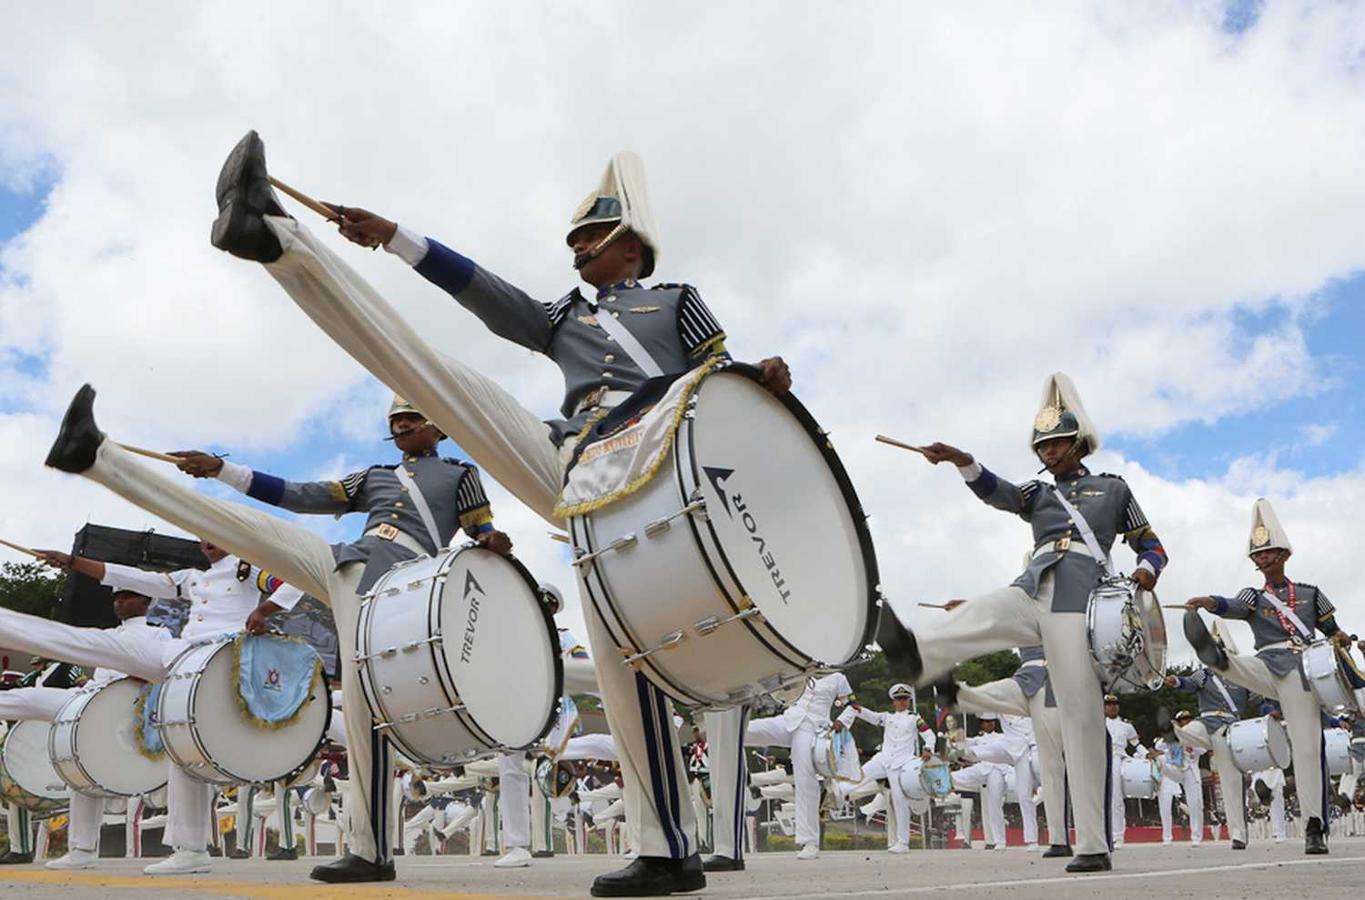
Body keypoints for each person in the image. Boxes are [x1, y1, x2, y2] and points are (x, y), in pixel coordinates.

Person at [206, 131, 792, 897]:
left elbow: (717, 384)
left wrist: (765, 381)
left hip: (663, 460)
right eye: (575, 239)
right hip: (578, 462)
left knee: (624, 667)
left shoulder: (675, 301)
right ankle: (275, 239)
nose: (577, 249)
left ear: (631, 248)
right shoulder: (562, 320)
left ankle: (667, 850)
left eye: (591, 237)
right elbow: (485, 294)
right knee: (436, 373)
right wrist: (395, 239)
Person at [57, 394, 510, 884]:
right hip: (343, 564)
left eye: (411, 419)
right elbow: (301, 493)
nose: (401, 427)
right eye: (395, 421)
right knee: (240, 528)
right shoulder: (373, 476)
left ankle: (371, 852)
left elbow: (481, 532)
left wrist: (494, 544)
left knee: (365, 719)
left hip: (402, 585)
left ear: (437, 428)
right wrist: (220, 469)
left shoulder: (460, 475)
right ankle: (95, 455)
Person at [899, 372, 1168, 872]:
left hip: (1080, 598)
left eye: (1057, 442)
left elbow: (1151, 545)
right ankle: (915, 650)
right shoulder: (1039, 495)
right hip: (1034, 585)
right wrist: (963, 461)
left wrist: (1147, 572)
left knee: (1082, 720)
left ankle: (1091, 843)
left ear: (1078, 442)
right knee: (984, 609)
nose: (1049, 451)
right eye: (1042, 445)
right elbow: (998, 492)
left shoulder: (1112, 489)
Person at [21, 541, 300, 875]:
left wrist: (264, 611)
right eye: (202, 539)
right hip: (184, 661)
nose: (207, 544)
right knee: (181, 743)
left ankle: (191, 848)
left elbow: (292, 582)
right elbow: (136, 578)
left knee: (186, 744)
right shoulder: (190, 578)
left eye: (213, 537)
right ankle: (190, 849)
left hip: (227, 656)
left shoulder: (247, 568)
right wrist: (71, 562)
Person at [1184, 497, 1348, 855]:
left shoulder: (1310, 593)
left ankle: (1313, 825)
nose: (1262, 559)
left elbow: (1331, 629)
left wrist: (1340, 638)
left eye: (1268, 552)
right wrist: (1211, 602)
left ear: (1283, 554)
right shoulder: (1254, 595)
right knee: (1234, 663)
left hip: (1302, 671)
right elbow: (1235, 606)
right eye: (1257, 555)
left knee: (1307, 750)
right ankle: (1215, 659)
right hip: (1266, 663)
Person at [943, 645, 1066, 855]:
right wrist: (961, 692)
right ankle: (1026, 841)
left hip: (1035, 746)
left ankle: (1038, 838)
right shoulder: (1004, 701)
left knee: (1039, 783)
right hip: (1012, 747)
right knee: (1022, 794)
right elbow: (984, 708)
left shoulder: (1043, 694)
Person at [842, 684, 935, 853]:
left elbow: (929, 734)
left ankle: (903, 843)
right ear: (893, 701)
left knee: (900, 801)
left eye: (904, 699)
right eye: (898, 699)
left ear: (909, 701)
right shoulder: (887, 717)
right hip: (884, 758)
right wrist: (857, 708)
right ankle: (834, 793)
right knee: (858, 775)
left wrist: (928, 748)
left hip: (902, 762)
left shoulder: (915, 718)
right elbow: (871, 716)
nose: (901, 702)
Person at [1168, 668, 1253, 848]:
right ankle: (1176, 733)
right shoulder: (1205, 675)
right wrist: (1176, 681)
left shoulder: (1240, 675)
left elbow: (1257, 696)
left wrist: (1270, 707)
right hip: (1205, 724)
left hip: (1231, 731)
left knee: (1232, 784)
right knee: (1188, 732)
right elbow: (1189, 684)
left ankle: (1238, 834)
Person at [1103, 695, 1145, 847]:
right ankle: (1111, 831)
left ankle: (1118, 835)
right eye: (1108, 704)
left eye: (1115, 704)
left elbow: (1136, 743)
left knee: (1116, 797)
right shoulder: (1098, 723)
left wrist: (1147, 754)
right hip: (1101, 758)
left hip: (1118, 758)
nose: (1112, 707)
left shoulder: (1126, 725)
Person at [1152, 727, 1205, 846]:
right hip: (1173, 771)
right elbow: (1159, 746)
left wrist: (1188, 743)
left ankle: (1196, 837)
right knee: (1164, 806)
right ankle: (1167, 838)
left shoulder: (1194, 739)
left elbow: (1203, 749)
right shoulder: (1171, 740)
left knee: (1195, 804)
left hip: (1190, 771)